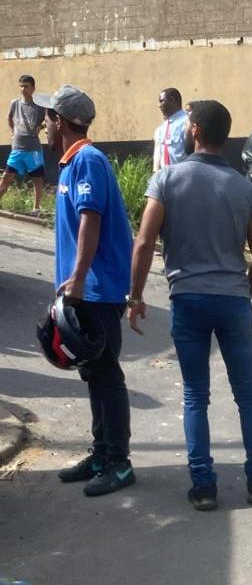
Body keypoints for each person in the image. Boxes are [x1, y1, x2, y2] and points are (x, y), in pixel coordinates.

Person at [129, 99, 252, 511]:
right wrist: (245, 291)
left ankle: (204, 485)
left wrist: (135, 296)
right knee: (248, 395)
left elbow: (143, 243)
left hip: (188, 299)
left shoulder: (167, 180)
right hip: (233, 300)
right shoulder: (245, 188)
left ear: (193, 130)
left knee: (196, 395)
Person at [35, 85, 135, 496]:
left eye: (47, 116)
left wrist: (77, 280)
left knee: (107, 373)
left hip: (97, 289)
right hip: (84, 289)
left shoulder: (88, 161)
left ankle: (120, 463)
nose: (43, 123)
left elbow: (90, 221)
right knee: (93, 372)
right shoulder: (72, 161)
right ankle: (101, 454)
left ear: (60, 121)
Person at [0, 75, 46, 214]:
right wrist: (13, 132)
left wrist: (41, 126)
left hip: (33, 150)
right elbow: (9, 118)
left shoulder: (39, 107)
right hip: (17, 149)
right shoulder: (15, 103)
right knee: (6, 178)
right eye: (21, 86)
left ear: (33, 88)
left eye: (26, 86)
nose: (23, 89)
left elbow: (50, 120)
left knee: (37, 180)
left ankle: (36, 208)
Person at [152, 87, 190, 171]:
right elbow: (158, 154)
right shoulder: (163, 127)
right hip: (165, 177)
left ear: (172, 100)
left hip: (183, 176)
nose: (159, 105)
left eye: (162, 101)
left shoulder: (187, 123)